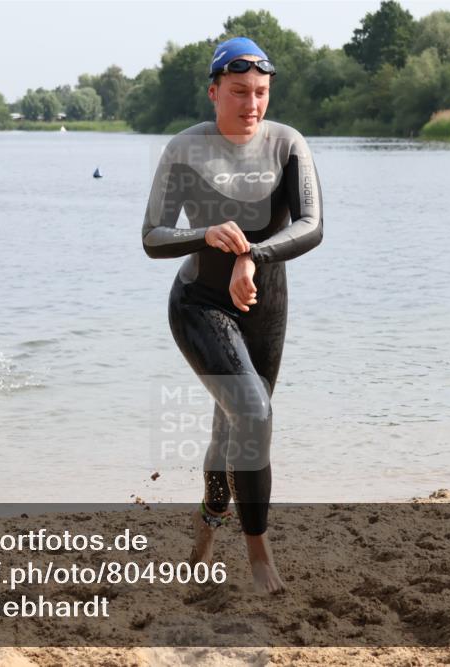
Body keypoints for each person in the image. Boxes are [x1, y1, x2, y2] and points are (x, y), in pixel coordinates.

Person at [142, 37, 323, 593]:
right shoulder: (184, 149)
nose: (252, 103)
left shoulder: (288, 145)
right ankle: (259, 554)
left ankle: (206, 526)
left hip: (266, 305)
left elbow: (312, 225)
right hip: (199, 303)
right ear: (214, 91)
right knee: (254, 412)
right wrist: (206, 234)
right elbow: (153, 238)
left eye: (261, 92)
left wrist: (251, 253)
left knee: (236, 429)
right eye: (240, 91)